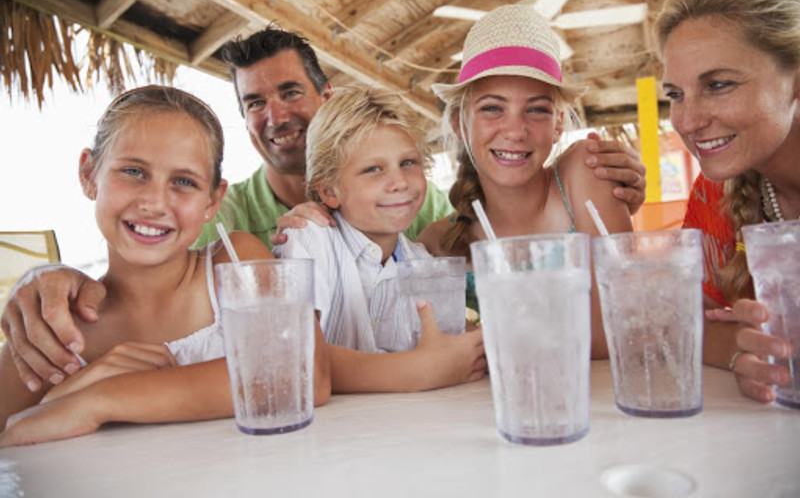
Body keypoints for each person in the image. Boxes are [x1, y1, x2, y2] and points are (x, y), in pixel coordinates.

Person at [1, 24, 646, 395]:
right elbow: (142, 267)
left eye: (289, 92)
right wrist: (44, 277)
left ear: (326, 98)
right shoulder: (227, 227)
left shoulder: (431, 231)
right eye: (254, 102)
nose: (276, 115)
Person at [0, 86, 331, 442]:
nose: (155, 202)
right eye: (133, 172)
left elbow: (303, 375)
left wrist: (101, 398)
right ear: (88, 173)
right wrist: (57, 398)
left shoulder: (233, 262)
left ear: (212, 201)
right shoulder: (56, 331)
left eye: (184, 181)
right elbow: (11, 434)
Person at [415, 5, 634, 359]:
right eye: (492, 108)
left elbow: (620, 326)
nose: (515, 131)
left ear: (558, 124)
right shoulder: (437, 244)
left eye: (536, 109)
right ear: (459, 123)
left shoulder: (584, 171)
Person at [272, 85, 485, 391]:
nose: (399, 182)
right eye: (373, 169)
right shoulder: (309, 240)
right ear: (329, 191)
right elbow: (295, 357)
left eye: (408, 163)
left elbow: (455, 347)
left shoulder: (423, 262)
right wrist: (417, 371)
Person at [655, 0, 799, 402]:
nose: (686, 120)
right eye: (676, 94)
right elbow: (680, 320)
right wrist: (743, 349)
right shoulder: (716, 193)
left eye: (718, 85)